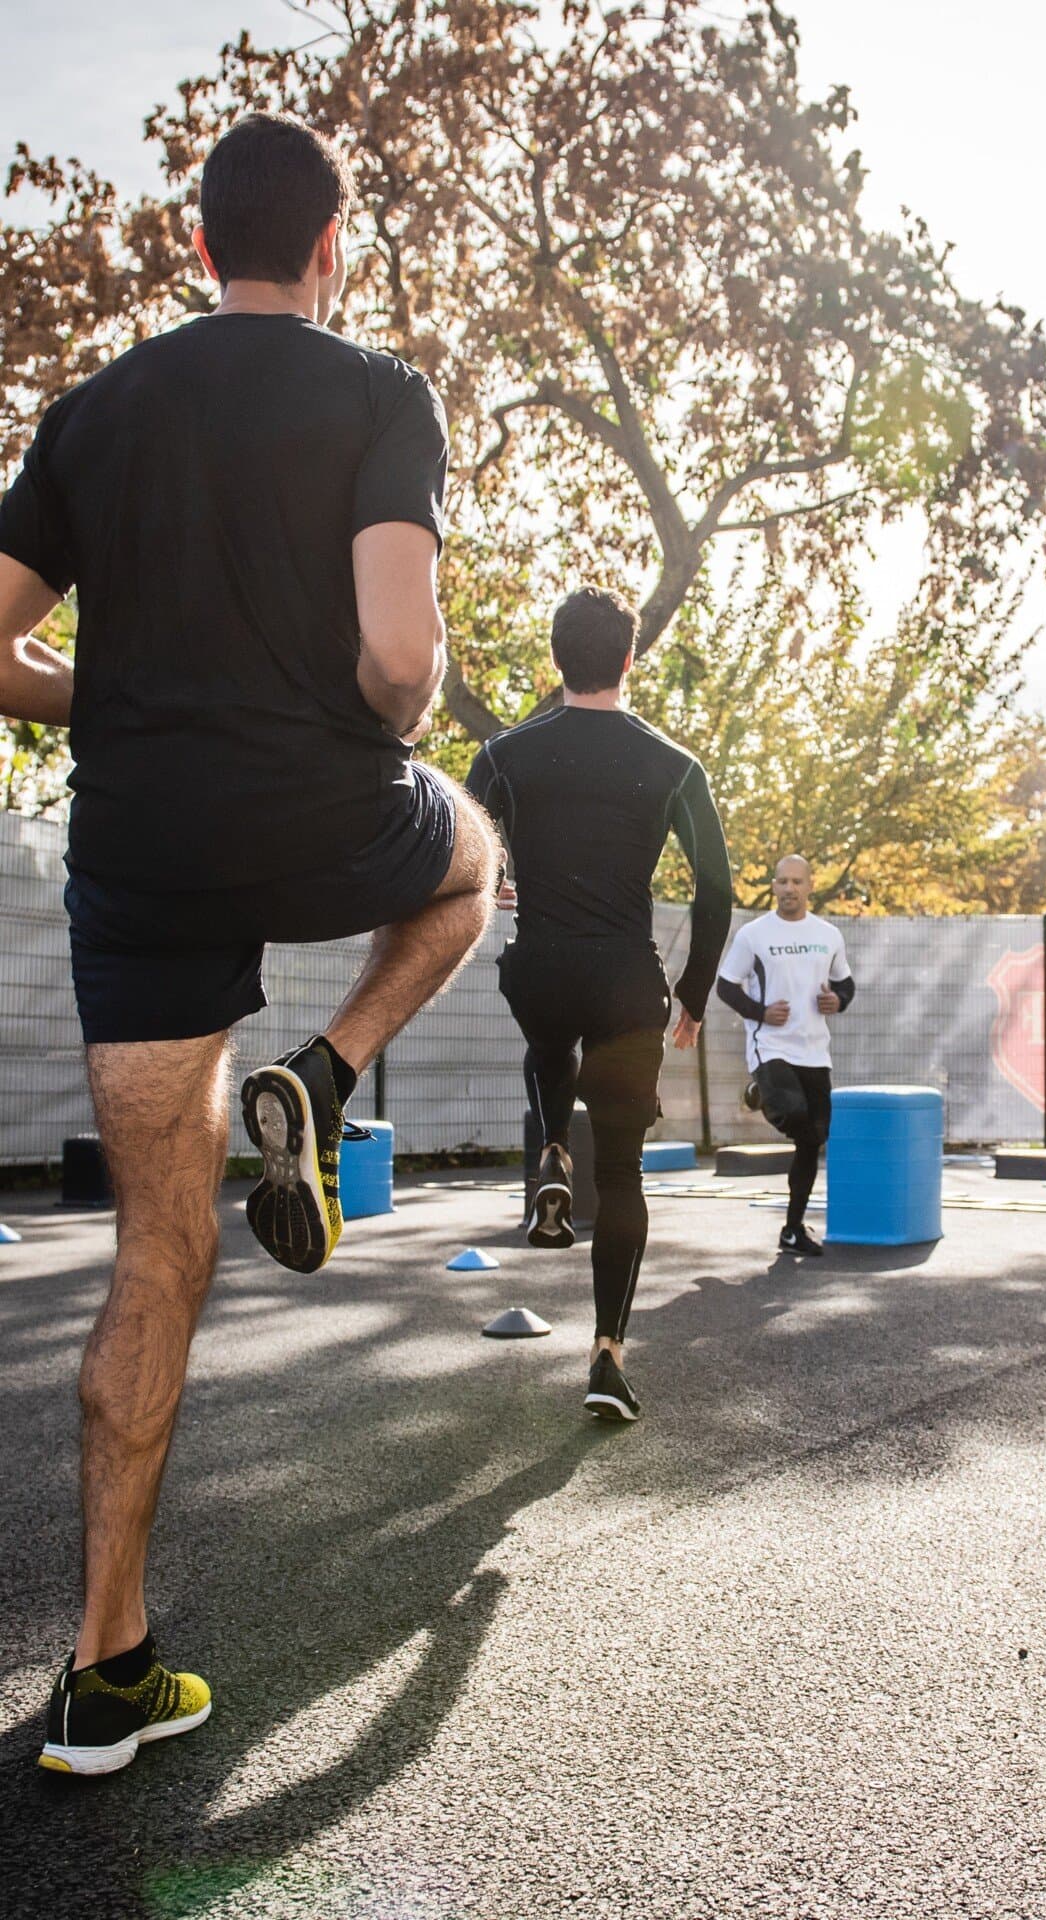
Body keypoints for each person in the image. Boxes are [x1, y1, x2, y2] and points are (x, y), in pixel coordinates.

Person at [0, 113, 498, 1774]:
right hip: (319, 816)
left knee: (156, 1254)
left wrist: (105, 698)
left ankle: (104, 1670)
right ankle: (328, 1072)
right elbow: (397, 661)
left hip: (138, 851)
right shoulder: (378, 395)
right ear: (331, 245)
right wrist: (385, 712)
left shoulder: (93, 416)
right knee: (470, 865)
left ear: (198, 245)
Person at [467, 588, 732, 1423]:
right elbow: (718, 890)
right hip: (627, 983)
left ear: (556, 657)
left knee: (548, 1036)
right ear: (629, 657)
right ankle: (608, 1355)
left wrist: (499, 879)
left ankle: (549, 1150)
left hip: (541, 968)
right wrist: (692, 994)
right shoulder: (674, 764)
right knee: (621, 1174)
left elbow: (463, 849)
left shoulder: (505, 754)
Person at [713, 856, 854, 1257]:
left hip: (814, 1051)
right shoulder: (754, 935)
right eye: (782, 882)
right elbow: (726, 987)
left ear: (810, 885)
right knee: (793, 1115)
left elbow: (846, 984)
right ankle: (763, 1088)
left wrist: (836, 1000)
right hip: (770, 1046)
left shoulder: (828, 934)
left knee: (813, 1138)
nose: (789, 888)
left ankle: (792, 1230)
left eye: (797, 882)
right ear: (774, 887)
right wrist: (760, 1012)